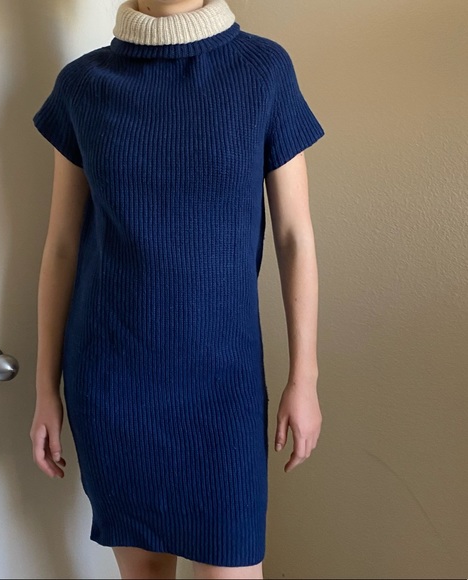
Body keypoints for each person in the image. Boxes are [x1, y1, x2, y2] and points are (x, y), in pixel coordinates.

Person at [29, 0, 324, 578]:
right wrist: (45, 389)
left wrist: (304, 378)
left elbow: (295, 237)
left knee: (233, 566)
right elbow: (62, 246)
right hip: (113, 379)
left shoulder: (263, 69)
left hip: (224, 385)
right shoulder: (83, 85)